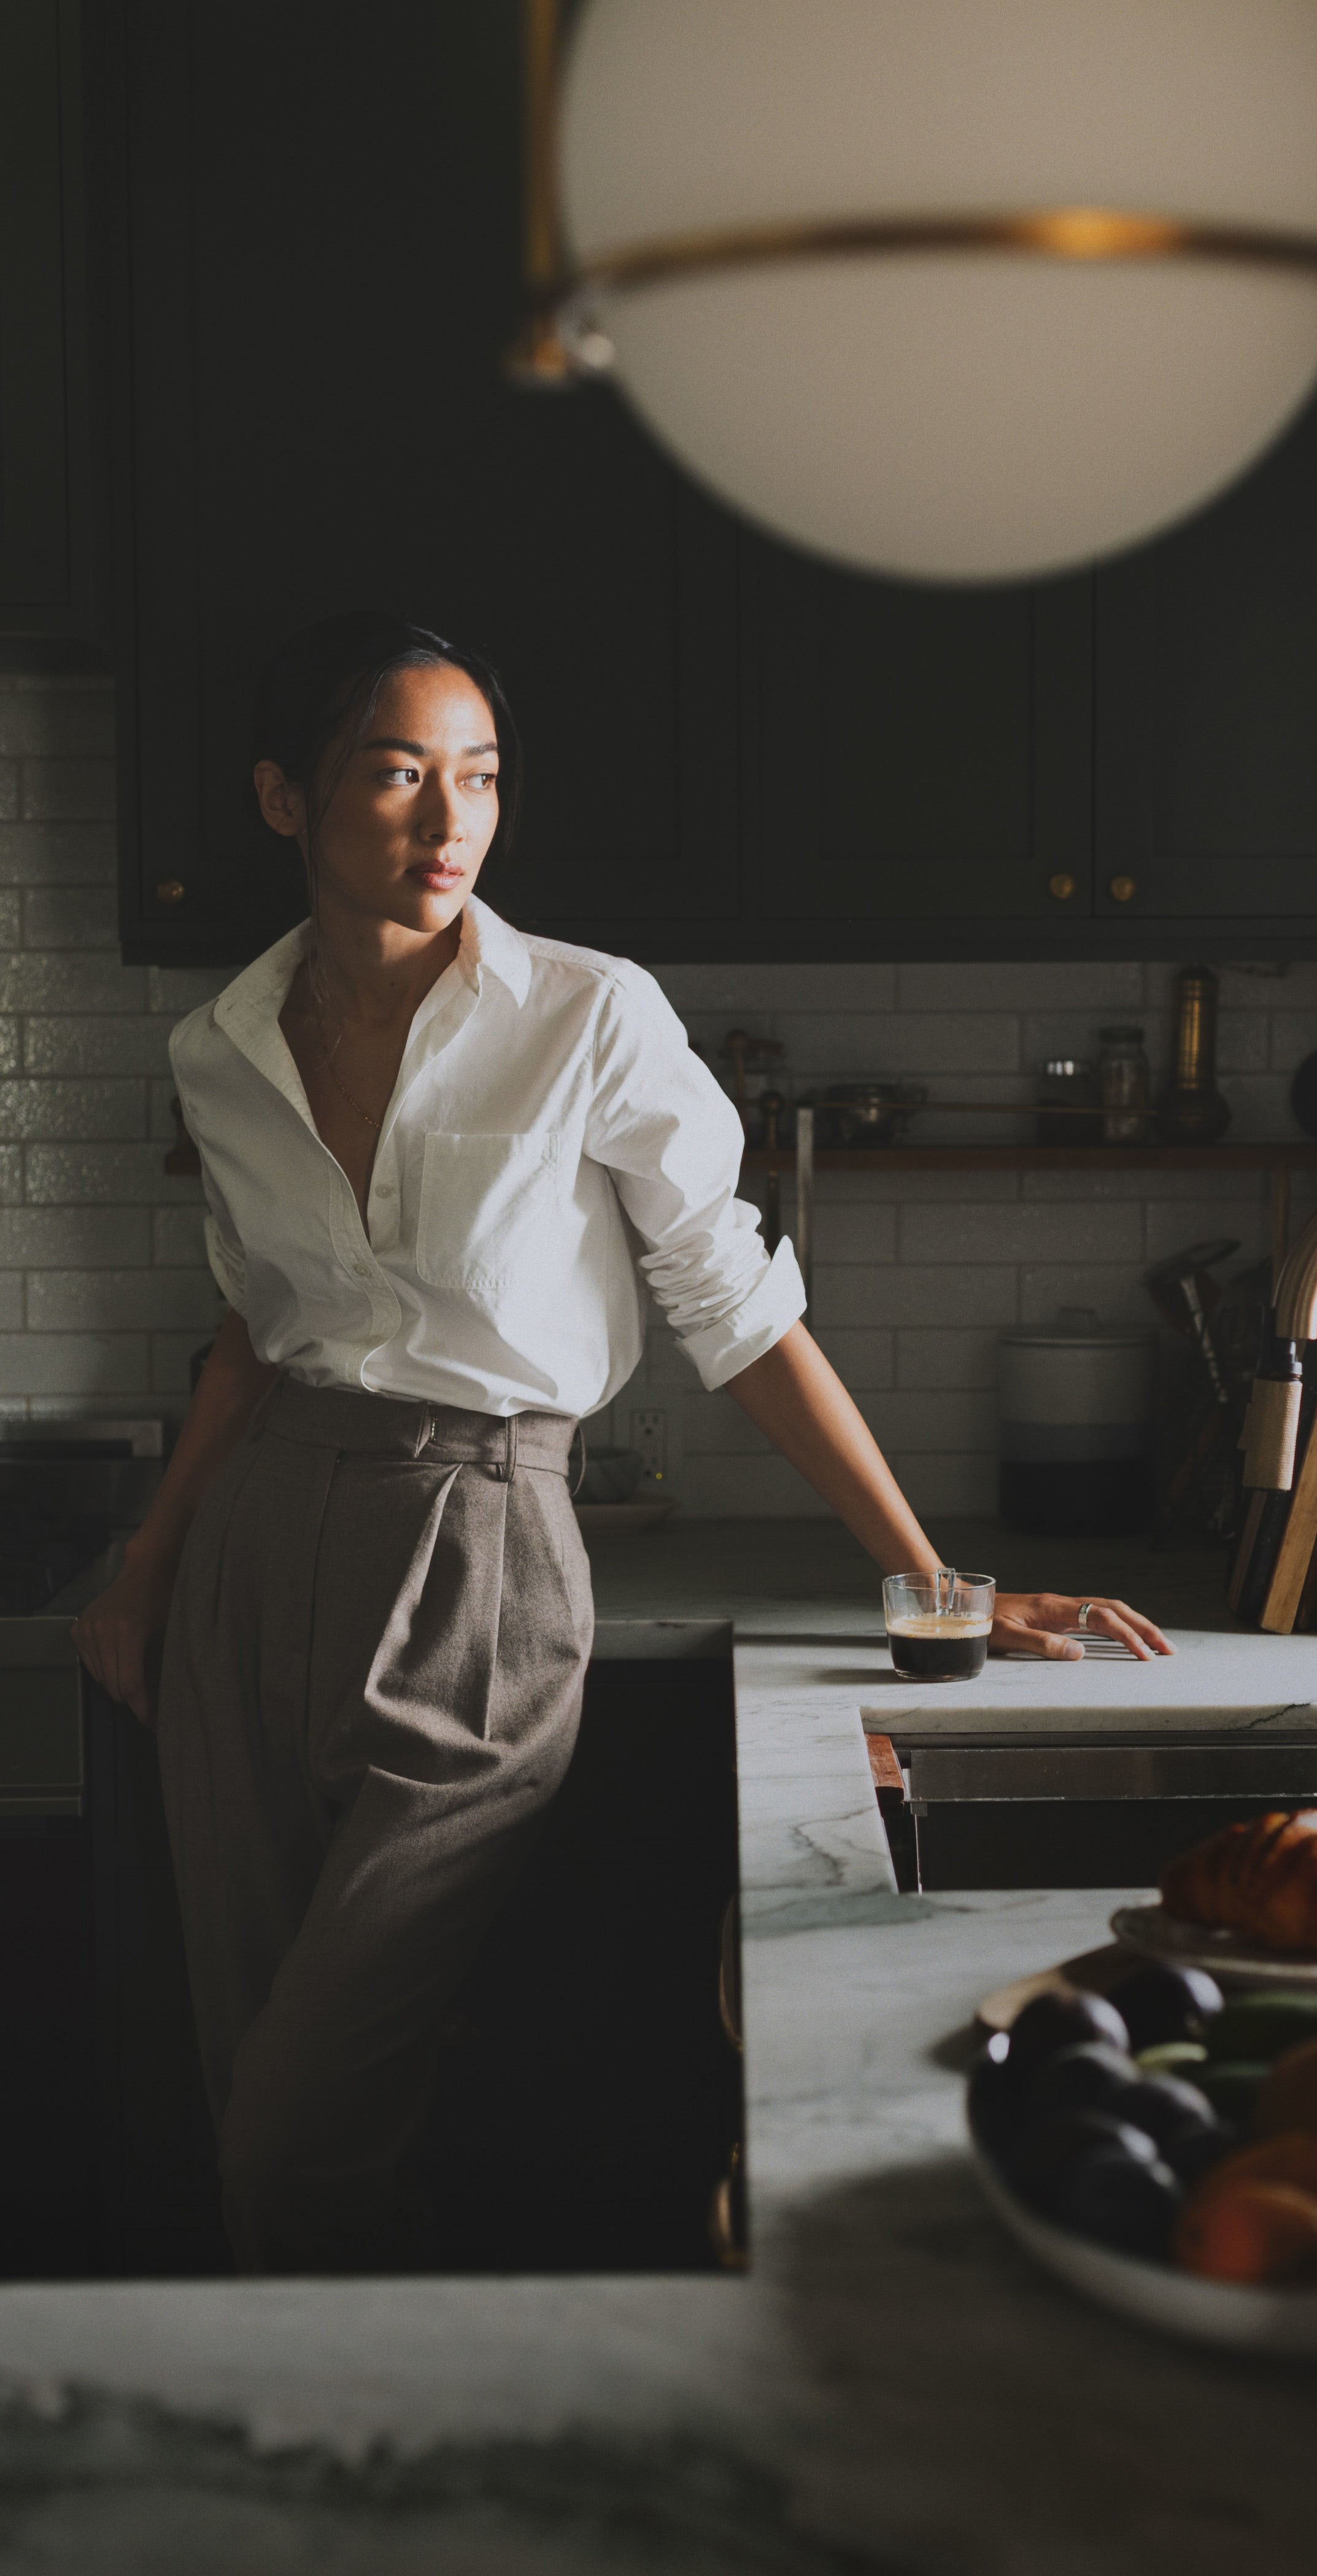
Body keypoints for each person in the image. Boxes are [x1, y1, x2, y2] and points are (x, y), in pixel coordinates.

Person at [72, 612, 1172, 2273]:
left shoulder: (590, 1015)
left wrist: (938, 1581)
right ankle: (359, 2466)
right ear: (283, 800)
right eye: (396, 776)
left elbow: (737, 1316)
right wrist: (148, 1572)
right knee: (257, 2087)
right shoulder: (217, 1047)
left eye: (481, 780)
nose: (450, 824)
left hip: (480, 1555)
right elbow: (251, 1330)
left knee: (297, 2124)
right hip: (251, 1552)